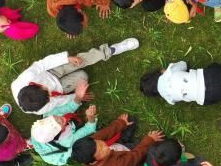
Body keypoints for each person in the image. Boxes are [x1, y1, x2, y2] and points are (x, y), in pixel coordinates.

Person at [11, 39, 140, 115]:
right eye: (49, 96)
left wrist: (65, 58)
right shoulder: (40, 108)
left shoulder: (26, 77)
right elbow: (59, 101)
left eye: (46, 91)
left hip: (51, 71)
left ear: (33, 84)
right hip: (61, 87)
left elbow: (43, 64)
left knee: (80, 60)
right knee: (83, 77)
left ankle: (110, 50)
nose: (49, 93)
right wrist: (77, 97)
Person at [70, 114, 164, 166]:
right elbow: (135, 156)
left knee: (130, 120)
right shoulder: (115, 165)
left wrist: (121, 123)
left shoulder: (90, 148)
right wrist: (149, 140)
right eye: (101, 150)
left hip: (118, 147)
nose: (105, 146)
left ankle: (127, 140)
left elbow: (105, 133)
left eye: (100, 143)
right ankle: (135, 144)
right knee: (154, 146)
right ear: (93, 161)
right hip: (130, 158)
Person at [139, 59, 221, 108]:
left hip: (207, 96)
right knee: (220, 68)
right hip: (208, 76)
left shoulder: (168, 98)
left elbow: (174, 101)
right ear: (157, 74)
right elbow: (183, 64)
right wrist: (166, 71)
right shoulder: (169, 71)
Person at [29, 105, 100, 166]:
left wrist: (77, 100)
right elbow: (88, 129)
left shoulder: (37, 129)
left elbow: (62, 109)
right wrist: (91, 118)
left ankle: (30, 142)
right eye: (61, 122)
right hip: (56, 157)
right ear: (62, 131)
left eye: (55, 117)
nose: (61, 118)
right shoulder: (68, 142)